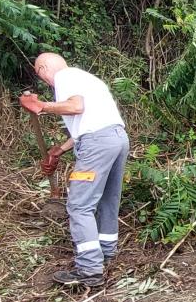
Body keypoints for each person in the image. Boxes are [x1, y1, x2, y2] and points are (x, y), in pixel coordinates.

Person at [20, 53, 128, 288]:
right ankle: (106, 253)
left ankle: (89, 269)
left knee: (79, 205)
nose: (45, 81)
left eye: (40, 73)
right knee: (108, 200)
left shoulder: (65, 77)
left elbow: (76, 107)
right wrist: (59, 150)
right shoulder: (88, 79)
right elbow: (91, 122)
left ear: (43, 68)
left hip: (97, 143)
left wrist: (42, 106)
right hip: (117, 139)